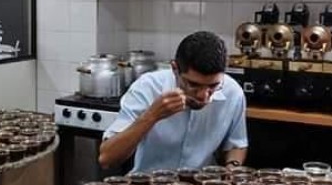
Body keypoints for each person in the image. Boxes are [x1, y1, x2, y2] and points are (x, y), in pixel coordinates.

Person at [98, 31, 248, 172]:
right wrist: (152, 115)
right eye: (193, 85)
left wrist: (232, 167)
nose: (204, 96)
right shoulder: (147, 87)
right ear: (175, 69)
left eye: (213, 86)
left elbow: (236, 145)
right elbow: (107, 158)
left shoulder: (233, 93)